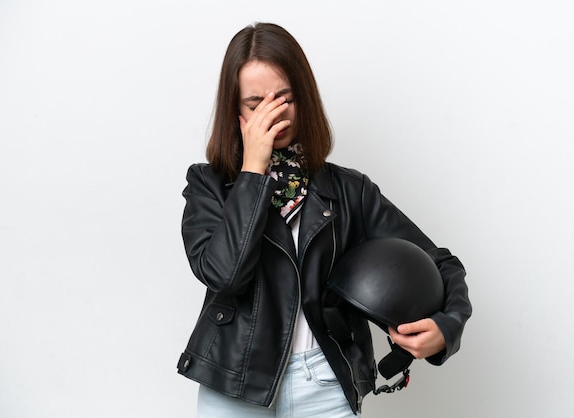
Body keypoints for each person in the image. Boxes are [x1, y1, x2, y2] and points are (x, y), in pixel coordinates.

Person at [177, 22, 472, 417]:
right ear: (235, 112)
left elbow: (440, 263)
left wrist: (446, 327)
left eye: (284, 98)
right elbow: (224, 275)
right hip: (236, 383)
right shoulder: (208, 185)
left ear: (304, 98)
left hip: (325, 382)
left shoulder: (350, 191)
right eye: (255, 104)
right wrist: (252, 174)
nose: (273, 113)